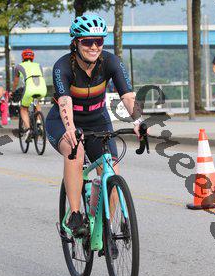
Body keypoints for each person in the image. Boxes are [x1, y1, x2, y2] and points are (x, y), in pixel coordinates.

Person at [46, 14, 143, 237]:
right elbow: (64, 101)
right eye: (87, 41)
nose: (93, 47)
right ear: (75, 43)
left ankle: (101, 228)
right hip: (63, 121)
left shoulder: (111, 62)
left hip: (98, 120)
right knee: (75, 150)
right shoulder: (63, 66)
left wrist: (139, 121)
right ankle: (75, 214)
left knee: (111, 172)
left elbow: (127, 95)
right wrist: (70, 129)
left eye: (98, 41)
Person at [11, 49, 47, 134]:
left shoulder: (19, 66)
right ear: (32, 57)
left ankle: (28, 130)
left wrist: (13, 91)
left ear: (23, 57)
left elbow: (16, 82)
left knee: (23, 108)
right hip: (42, 88)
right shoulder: (38, 65)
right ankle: (39, 122)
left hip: (30, 89)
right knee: (36, 102)